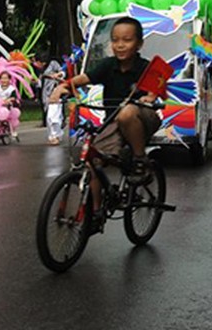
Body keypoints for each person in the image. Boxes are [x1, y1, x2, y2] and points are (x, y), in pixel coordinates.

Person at [49, 17, 161, 222]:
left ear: (139, 44)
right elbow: (82, 79)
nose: (120, 45)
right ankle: (97, 212)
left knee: (127, 111)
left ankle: (139, 160)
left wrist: (149, 97)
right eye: (115, 40)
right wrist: (62, 87)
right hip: (114, 122)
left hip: (143, 118)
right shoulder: (107, 65)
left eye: (126, 40)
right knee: (92, 160)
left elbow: (155, 91)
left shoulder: (147, 67)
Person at [40, 56, 67, 145]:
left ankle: (56, 136)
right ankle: (52, 135)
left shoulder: (53, 64)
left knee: (55, 117)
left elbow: (63, 72)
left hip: (56, 92)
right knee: (49, 117)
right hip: (46, 95)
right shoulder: (40, 70)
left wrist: (58, 75)